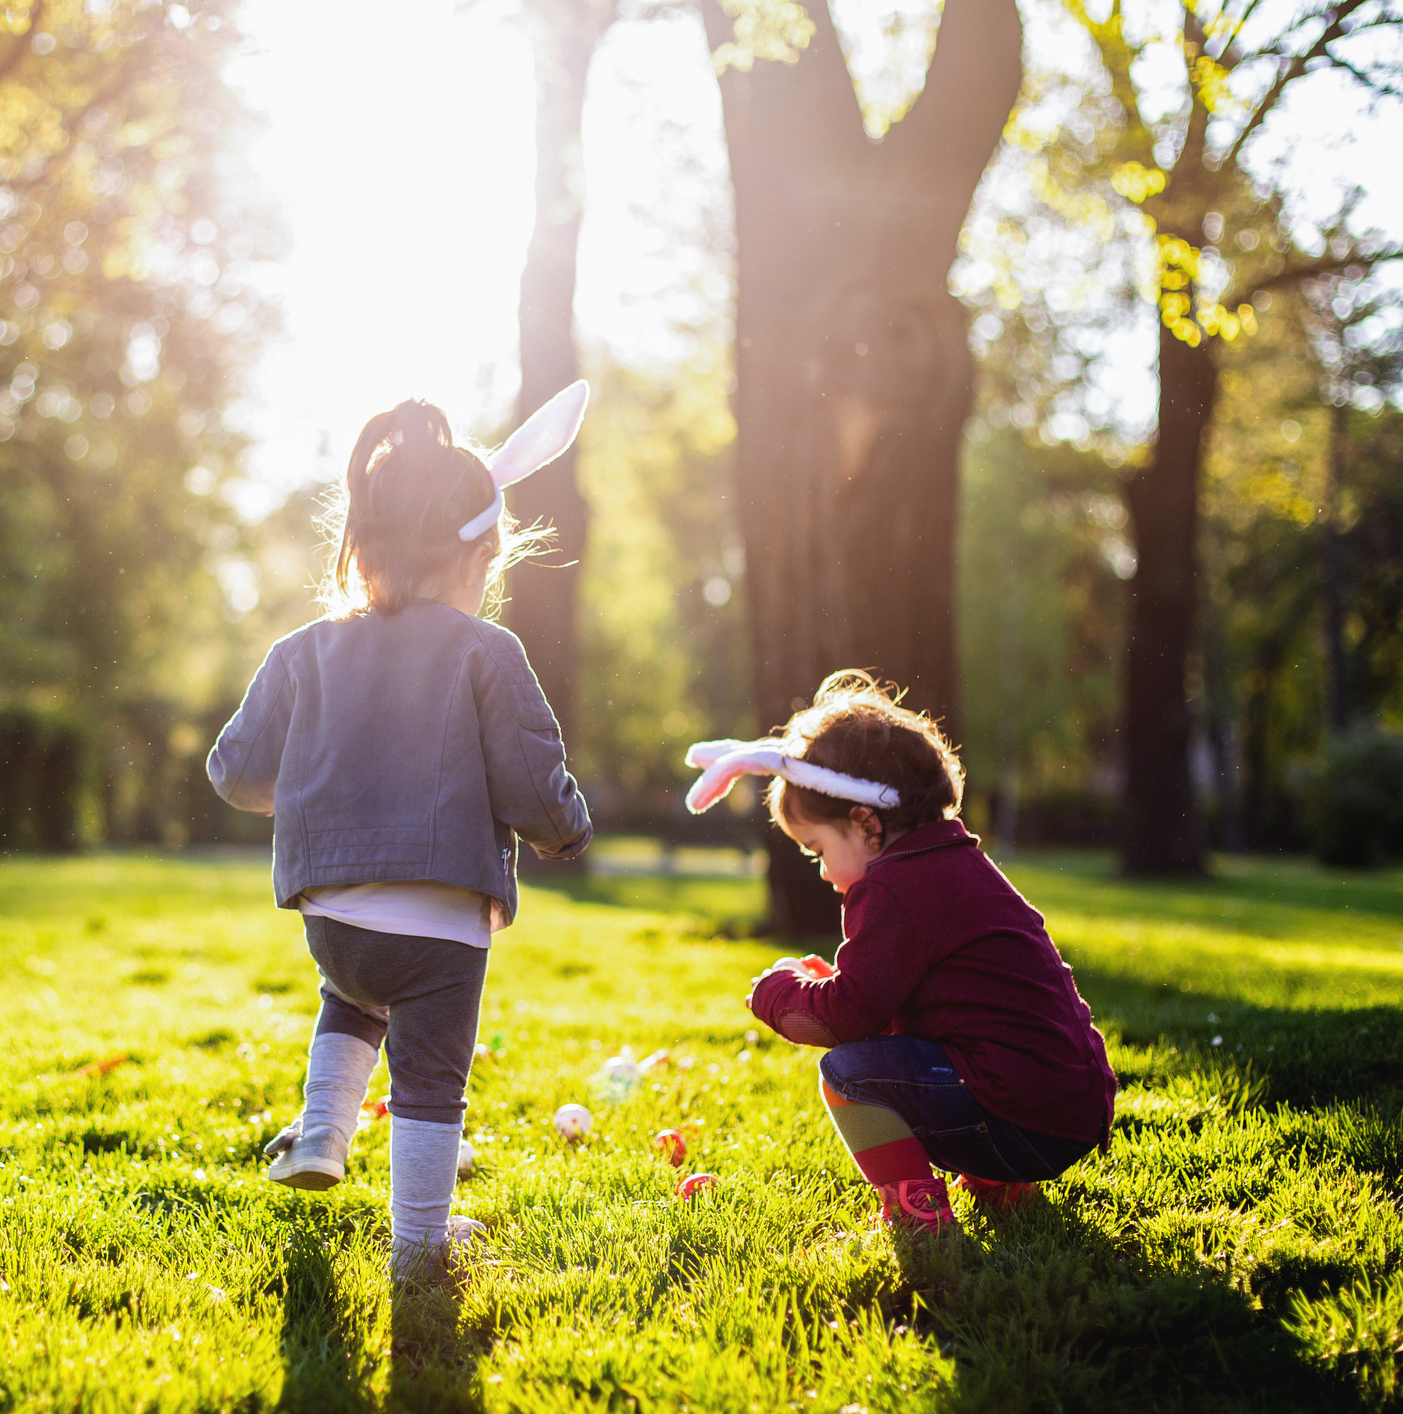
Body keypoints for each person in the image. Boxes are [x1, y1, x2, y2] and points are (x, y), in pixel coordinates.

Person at [208, 385, 594, 1281]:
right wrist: (564, 834)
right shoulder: (484, 650)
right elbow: (532, 781)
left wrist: (302, 793)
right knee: (428, 1081)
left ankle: (321, 1136)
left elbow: (233, 771)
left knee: (350, 1000)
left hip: (333, 923)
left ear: (361, 545)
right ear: (484, 552)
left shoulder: (302, 650)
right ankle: (419, 1248)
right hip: (442, 925)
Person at [682, 670, 1117, 1232]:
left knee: (848, 1074)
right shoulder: (950, 862)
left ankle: (918, 1212)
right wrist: (835, 983)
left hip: (1021, 1120)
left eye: (817, 850)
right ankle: (998, 1182)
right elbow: (926, 998)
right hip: (1068, 1108)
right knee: (903, 1056)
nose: (820, 871)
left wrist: (778, 995)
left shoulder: (892, 886)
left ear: (865, 822)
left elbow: (850, 1017)